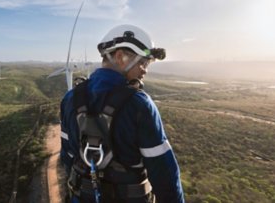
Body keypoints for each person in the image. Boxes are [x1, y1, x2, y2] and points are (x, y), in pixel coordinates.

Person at [60, 24, 185, 203]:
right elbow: (164, 175)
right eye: (143, 62)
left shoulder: (70, 99)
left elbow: (67, 157)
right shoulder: (140, 105)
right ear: (121, 57)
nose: (145, 70)